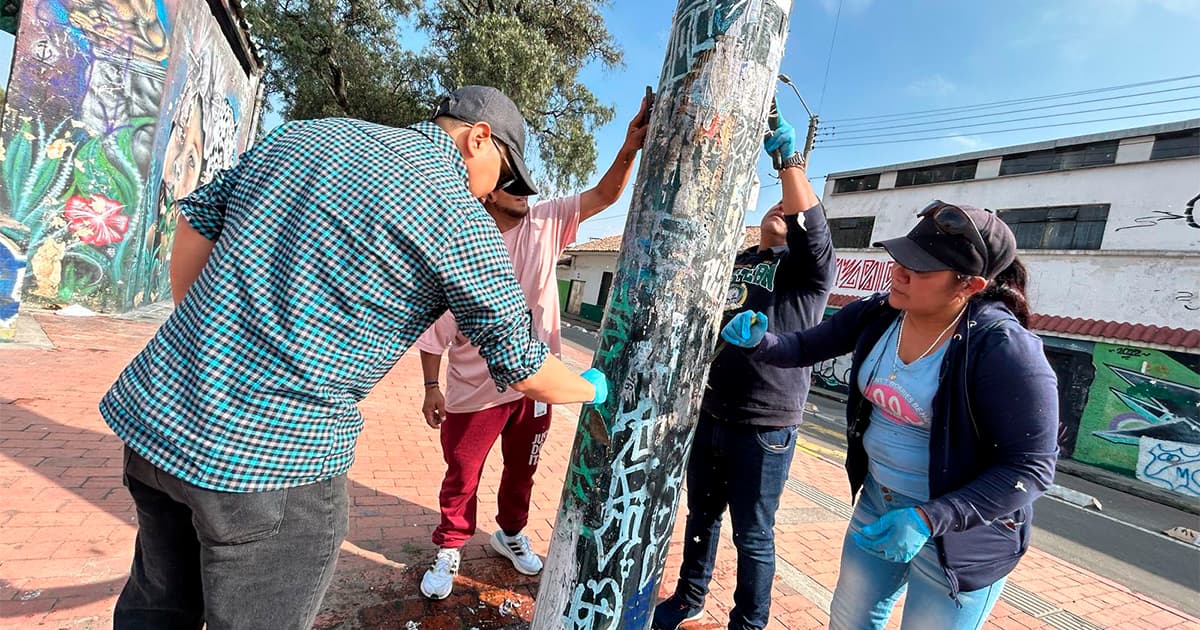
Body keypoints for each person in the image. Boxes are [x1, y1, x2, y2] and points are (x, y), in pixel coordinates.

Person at [100, 85, 609, 630]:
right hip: (272, 463)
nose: (497, 193)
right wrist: (592, 386)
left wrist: (209, 339)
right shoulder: (460, 219)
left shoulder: (307, 133)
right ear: (478, 139)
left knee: (157, 606)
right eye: (504, 177)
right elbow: (524, 367)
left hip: (157, 422)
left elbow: (197, 219)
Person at [720, 201, 1059, 629]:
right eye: (900, 259)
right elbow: (807, 346)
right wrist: (761, 342)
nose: (897, 273)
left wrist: (928, 518)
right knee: (848, 621)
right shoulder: (882, 312)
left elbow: (1031, 467)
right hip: (880, 502)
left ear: (969, 286)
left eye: (919, 269)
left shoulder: (1004, 348)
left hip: (960, 532)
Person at [414, 96, 651, 599]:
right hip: (474, 392)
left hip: (535, 383)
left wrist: (630, 145)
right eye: (513, 182)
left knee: (524, 470)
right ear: (485, 190)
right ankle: (451, 545)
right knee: (462, 475)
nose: (526, 191)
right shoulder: (459, 242)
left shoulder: (545, 222)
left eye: (527, 182)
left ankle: (511, 533)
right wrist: (431, 387)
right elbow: (435, 332)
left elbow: (604, 196)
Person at [652, 107, 836, 630]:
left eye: (791, 207)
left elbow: (815, 231)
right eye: (776, 202)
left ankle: (749, 622)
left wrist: (788, 162)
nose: (782, 207)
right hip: (712, 411)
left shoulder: (807, 272)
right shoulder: (737, 261)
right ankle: (689, 598)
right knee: (701, 517)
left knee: (753, 533)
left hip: (766, 425)